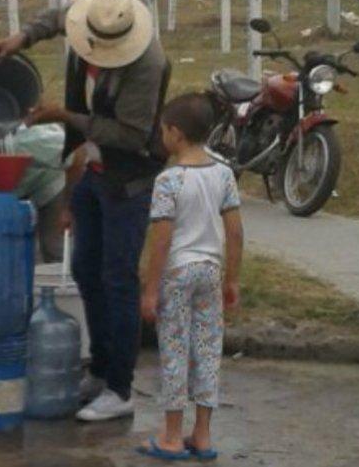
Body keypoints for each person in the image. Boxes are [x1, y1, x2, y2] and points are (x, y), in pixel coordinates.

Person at [0, 0, 170, 422]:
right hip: (92, 169)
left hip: (128, 178)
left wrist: (67, 118)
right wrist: (22, 38)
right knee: (87, 270)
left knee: (118, 279)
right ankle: (102, 369)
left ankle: (121, 387)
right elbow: (56, 19)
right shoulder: (91, 18)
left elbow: (130, 133)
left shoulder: (147, 64)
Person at [137, 93, 243, 462]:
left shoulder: (168, 181)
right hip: (211, 271)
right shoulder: (224, 173)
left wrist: (150, 290)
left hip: (178, 273)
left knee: (175, 349)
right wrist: (233, 279)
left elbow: (161, 240)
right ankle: (202, 434)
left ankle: (169, 435)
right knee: (208, 349)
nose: (162, 137)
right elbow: (235, 232)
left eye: (164, 130)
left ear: (176, 134)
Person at [0, 124, 87, 263]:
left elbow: (78, 155)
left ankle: (66, 280)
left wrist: (68, 207)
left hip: (48, 181)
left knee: (54, 246)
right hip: (11, 188)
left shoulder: (35, 142)